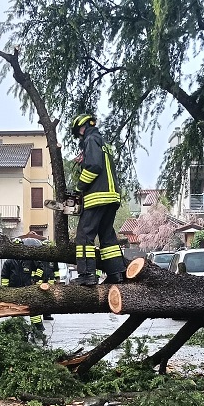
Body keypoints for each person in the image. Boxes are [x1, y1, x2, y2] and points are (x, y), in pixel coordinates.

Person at [69, 113, 124, 286]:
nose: (79, 137)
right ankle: (116, 274)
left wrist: (79, 188)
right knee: (107, 236)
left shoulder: (90, 139)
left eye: (79, 133)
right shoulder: (103, 143)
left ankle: (87, 275)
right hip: (112, 197)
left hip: (97, 197)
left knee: (84, 236)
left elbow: (94, 167)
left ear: (82, 128)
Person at [0, 238, 44, 332]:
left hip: (28, 289)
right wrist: (5, 290)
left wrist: (35, 278)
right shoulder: (9, 262)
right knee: (16, 310)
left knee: (33, 308)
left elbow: (40, 268)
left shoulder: (29, 260)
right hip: (14, 290)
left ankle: (38, 328)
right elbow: (4, 276)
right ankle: (17, 329)